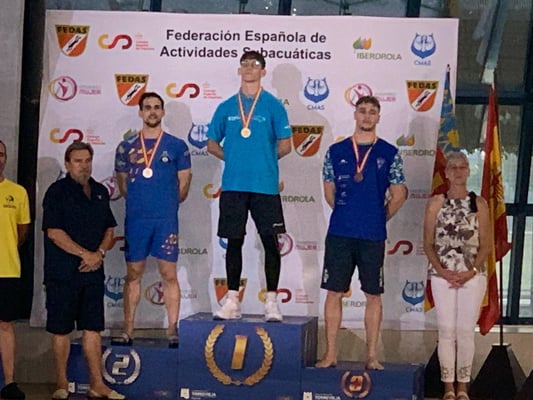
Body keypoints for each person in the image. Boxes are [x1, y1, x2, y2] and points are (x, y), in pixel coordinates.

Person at [316, 95, 407, 370]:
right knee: (334, 292)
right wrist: (348, 213)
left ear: (378, 117)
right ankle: (331, 354)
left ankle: (372, 356)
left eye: (372, 112)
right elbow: (329, 191)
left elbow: (399, 194)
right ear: (355, 115)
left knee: (373, 295)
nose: (367, 116)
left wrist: (379, 217)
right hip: (340, 233)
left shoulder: (389, 153)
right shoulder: (336, 151)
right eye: (362, 111)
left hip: (372, 235)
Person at [207, 50, 292, 322]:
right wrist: (233, 157)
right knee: (234, 241)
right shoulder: (226, 107)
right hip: (234, 185)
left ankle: (272, 302)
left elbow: (286, 145)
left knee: (270, 242)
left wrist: (263, 160)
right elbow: (211, 143)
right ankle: (232, 300)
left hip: (265, 186)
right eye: (244, 64)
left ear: (263, 71)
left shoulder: (274, 106)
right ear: (239, 70)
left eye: (254, 64)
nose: (248, 68)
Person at [42, 142, 124, 400]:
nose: (84, 166)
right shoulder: (56, 192)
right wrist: (84, 254)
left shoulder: (100, 191)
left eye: (87, 160)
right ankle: (61, 383)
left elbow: (109, 228)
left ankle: (97, 384)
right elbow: (54, 232)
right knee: (61, 329)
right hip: (62, 274)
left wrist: (99, 254)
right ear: (67, 164)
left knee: (93, 328)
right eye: (78, 161)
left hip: (93, 273)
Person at [114, 92, 192, 347]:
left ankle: (172, 329)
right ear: (140, 112)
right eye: (147, 107)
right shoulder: (126, 147)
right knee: (133, 273)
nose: (152, 111)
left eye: (157, 107)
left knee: (168, 273)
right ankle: (128, 330)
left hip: (165, 219)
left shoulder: (177, 146)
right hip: (137, 219)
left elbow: (184, 182)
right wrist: (141, 202)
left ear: (163, 112)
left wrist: (167, 204)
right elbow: (122, 184)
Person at [423, 152, 490, 400]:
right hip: (443, 275)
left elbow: (486, 245)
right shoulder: (436, 203)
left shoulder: (479, 204)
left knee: (464, 331)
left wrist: (471, 271)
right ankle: (448, 387)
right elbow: (427, 243)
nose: (458, 171)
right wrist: (442, 271)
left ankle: (463, 386)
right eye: (453, 167)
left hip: (472, 275)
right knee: (446, 331)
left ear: (468, 171)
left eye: (463, 167)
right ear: (447, 173)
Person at [0, 140, 30, 400]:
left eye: (1, 154)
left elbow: (21, 233)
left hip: (8, 269)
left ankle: (9, 382)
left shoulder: (17, 192)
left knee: (5, 325)